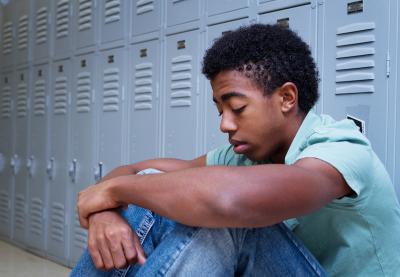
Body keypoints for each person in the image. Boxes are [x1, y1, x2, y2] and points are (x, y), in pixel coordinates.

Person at [71, 24, 400, 276]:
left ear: (287, 98)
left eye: (237, 108)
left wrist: (112, 190)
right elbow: (135, 170)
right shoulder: (244, 156)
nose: (224, 125)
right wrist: (105, 212)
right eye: (220, 110)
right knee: (155, 188)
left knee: (227, 216)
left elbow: (229, 200)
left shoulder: (340, 147)